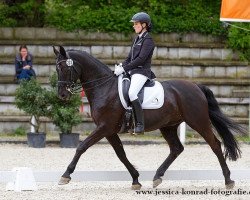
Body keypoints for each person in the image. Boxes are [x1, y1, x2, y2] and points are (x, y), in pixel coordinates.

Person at [114, 12, 156, 135]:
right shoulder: (137, 39)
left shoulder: (148, 40)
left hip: (142, 72)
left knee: (132, 93)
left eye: (136, 24)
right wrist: (121, 65)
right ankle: (126, 122)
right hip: (132, 71)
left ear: (144, 25)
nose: (134, 26)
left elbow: (140, 60)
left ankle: (140, 125)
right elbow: (129, 58)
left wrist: (125, 69)